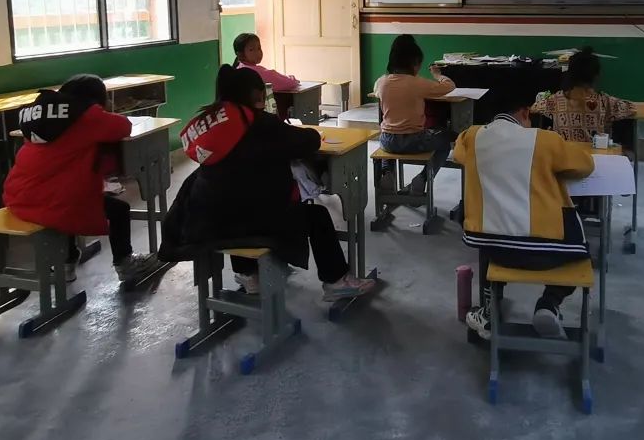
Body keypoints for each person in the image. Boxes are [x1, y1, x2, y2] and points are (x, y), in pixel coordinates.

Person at [159, 65, 374, 301]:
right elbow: (308, 141)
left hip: (207, 223)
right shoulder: (260, 123)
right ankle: (336, 280)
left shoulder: (212, 123)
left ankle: (248, 274)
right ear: (258, 94)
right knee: (317, 215)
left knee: (232, 197)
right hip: (251, 222)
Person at [454, 85, 594, 340]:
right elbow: (585, 166)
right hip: (549, 254)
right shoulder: (545, 140)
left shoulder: (472, 136)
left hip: (496, 251)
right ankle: (549, 303)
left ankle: (489, 312)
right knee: (583, 252)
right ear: (525, 112)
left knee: (492, 227)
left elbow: (459, 154)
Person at [3, 75, 158, 283]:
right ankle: (125, 263)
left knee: (62, 201)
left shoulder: (40, 116)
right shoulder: (86, 116)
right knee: (118, 210)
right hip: (52, 203)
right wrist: (104, 111)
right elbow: (123, 126)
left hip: (18, 198)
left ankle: (66, 262)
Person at [373, 34, 456, 194]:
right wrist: (437, 75)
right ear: (414, 63)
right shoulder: (417, 83)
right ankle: (422, 178)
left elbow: (377, 91)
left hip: (387, 140)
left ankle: (387, 171)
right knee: (445, 143)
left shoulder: (381, 82)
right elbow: (449, 86)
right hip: (414, 141)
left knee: (387, 147)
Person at [531, 46, 637, 143]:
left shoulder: (555, 100)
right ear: (596, 76)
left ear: (570, 74)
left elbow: (534, 107)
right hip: (593, 155)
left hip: (565, 154)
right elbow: (632, 109)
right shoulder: (605, 101)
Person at [232, 32, 298, 114]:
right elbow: (289, 83)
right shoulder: (255, 72)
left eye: (259, 48)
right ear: (241, 54)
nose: (258, 52)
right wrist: (292, 79)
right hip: (260, 114)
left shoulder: (239, 67)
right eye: (251, 50)